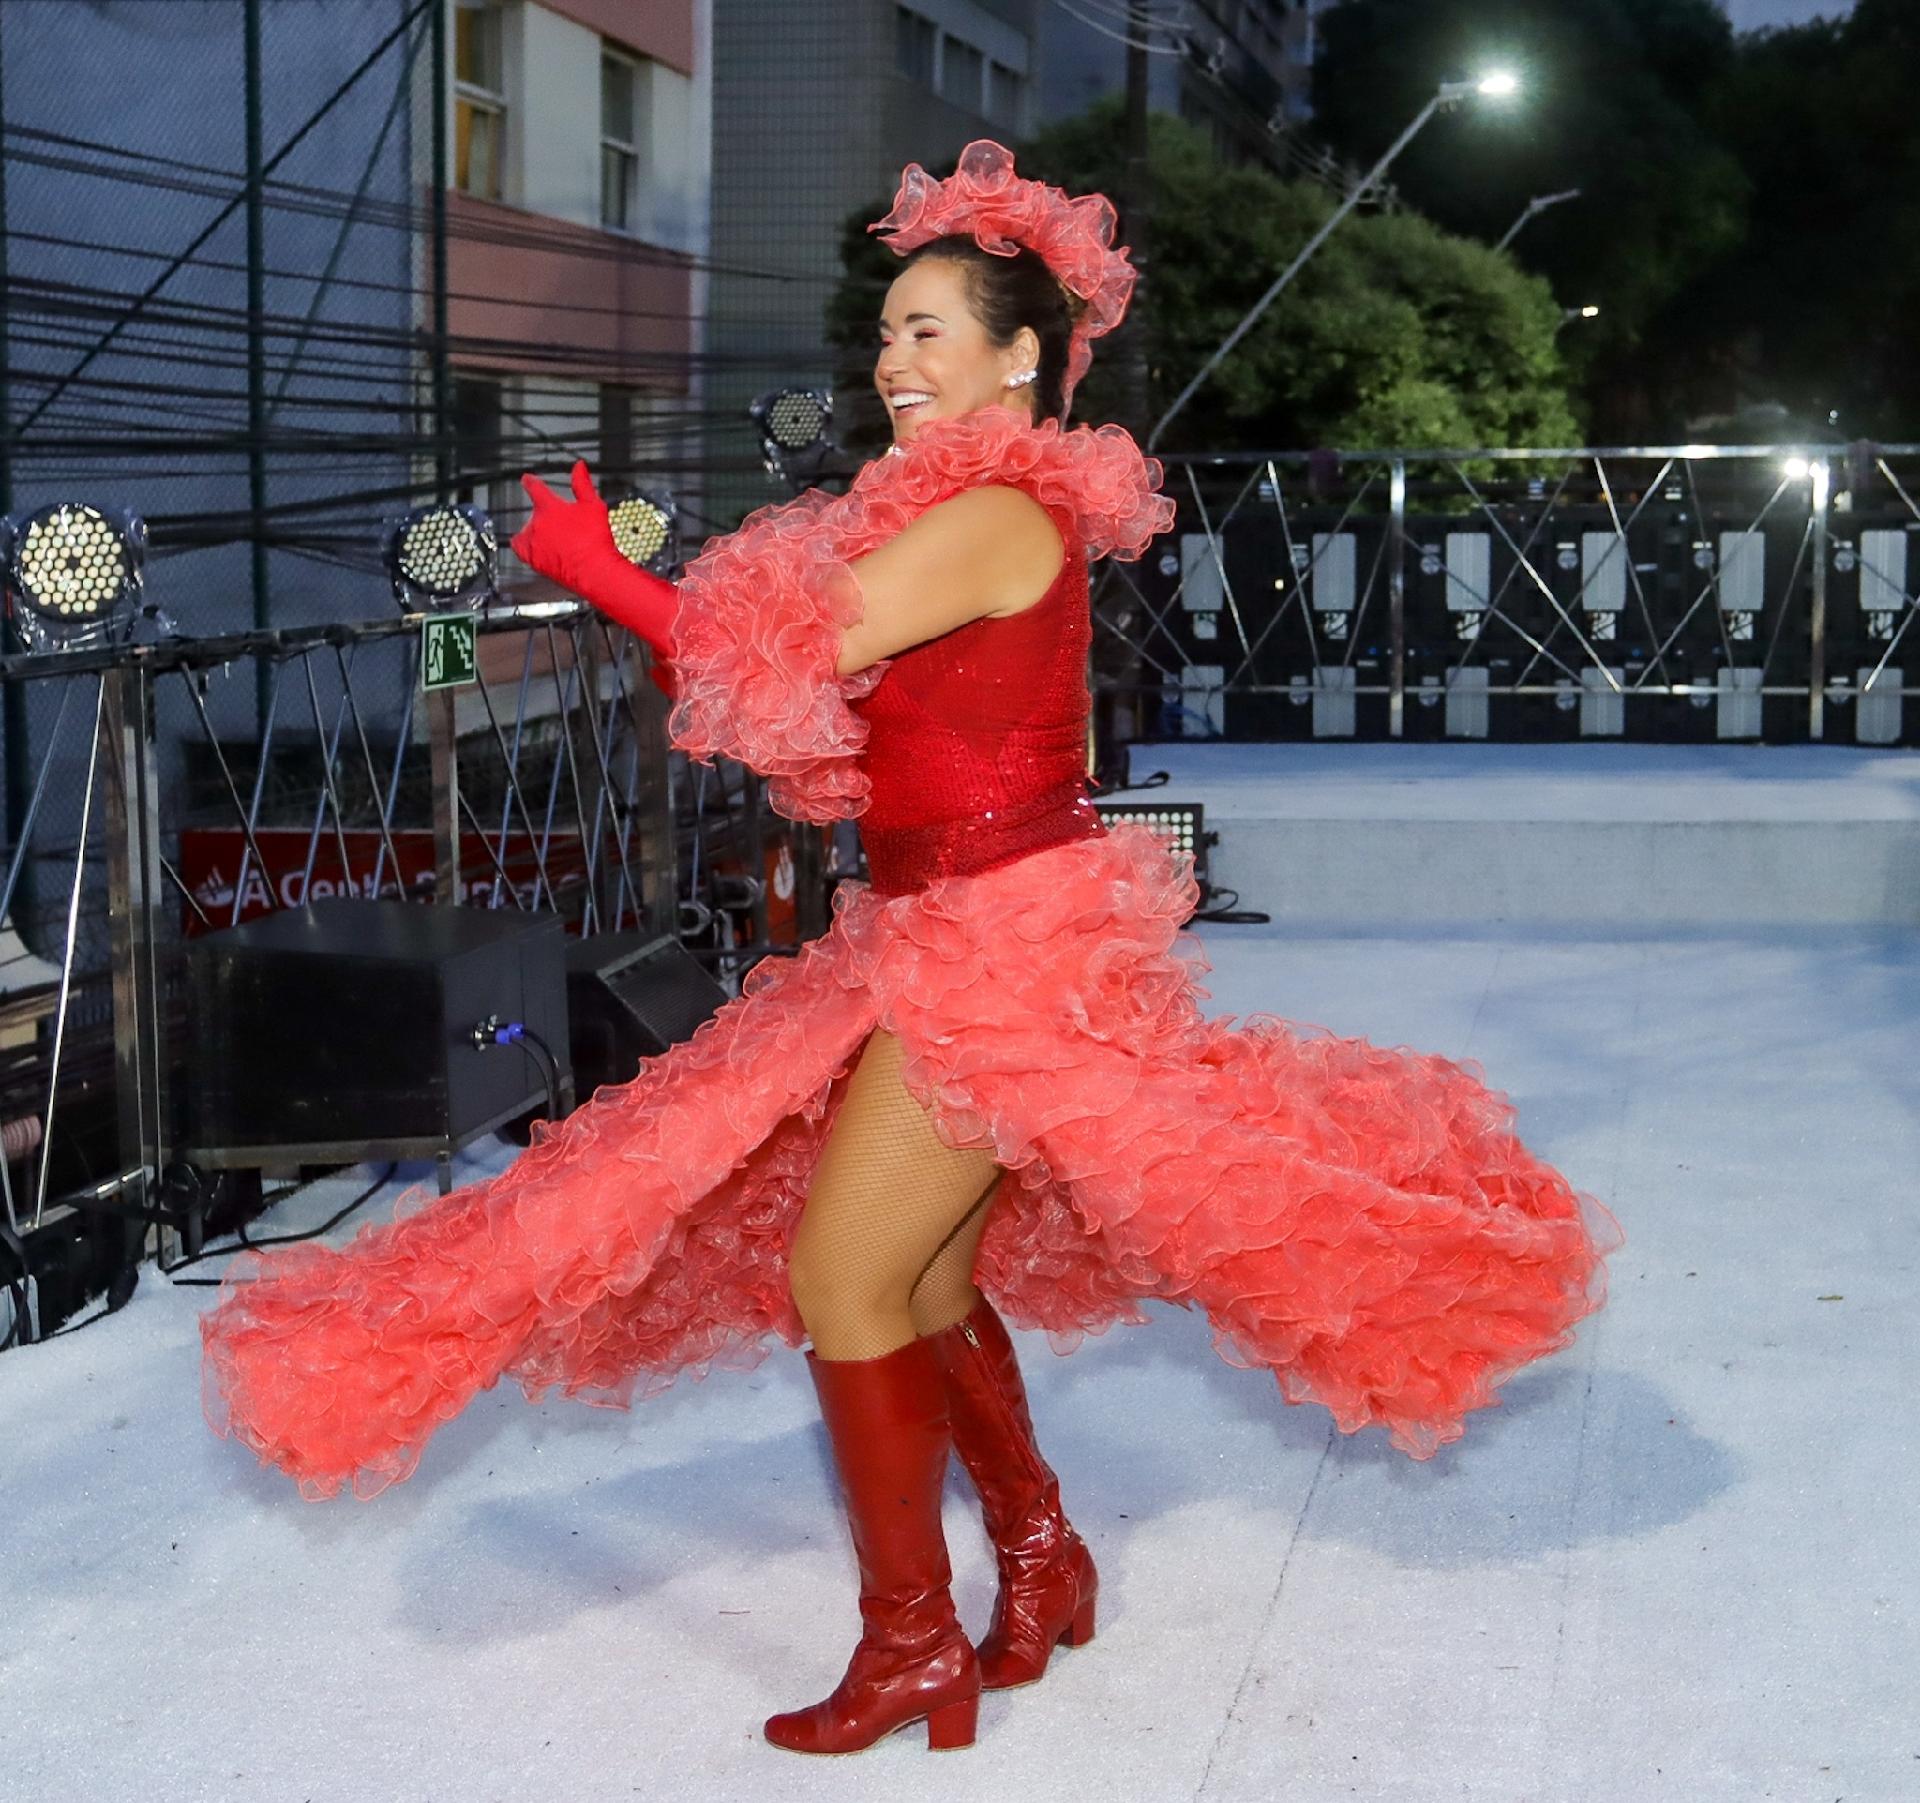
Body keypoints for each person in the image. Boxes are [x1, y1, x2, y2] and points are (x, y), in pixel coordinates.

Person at [200, 141, 1621, 1758]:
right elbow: (828, 714)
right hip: (941, 927)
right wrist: (647, 603)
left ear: (1019, 358)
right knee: (921, 1273)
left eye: (928, 331)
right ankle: (1040, 1556)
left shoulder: (999, 512)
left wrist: (604, 577)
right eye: (885, 333)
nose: (893, 361)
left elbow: (803, 648)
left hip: (1000, 946)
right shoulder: (951, 512)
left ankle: (913, 1647)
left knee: (840, 1274)